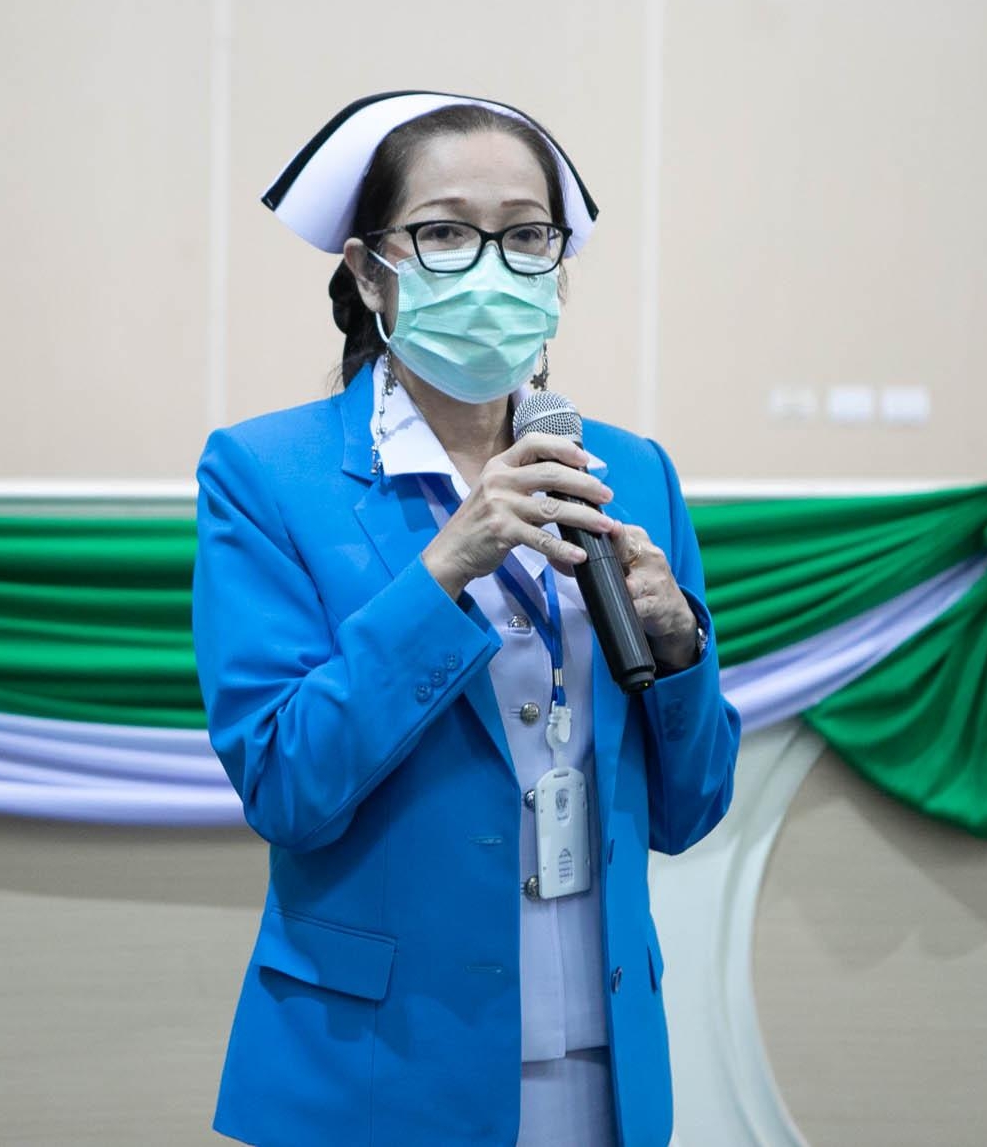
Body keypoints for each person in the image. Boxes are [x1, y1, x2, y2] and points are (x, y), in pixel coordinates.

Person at [192, 91, 741, 1147]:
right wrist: (446, 566)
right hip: (378, 1068)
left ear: (556, 273)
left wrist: (678, 649)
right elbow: (287, 784)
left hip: (602, 1059)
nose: (491, 265)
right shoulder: (267, 474)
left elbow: (691, 809)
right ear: (369, 272)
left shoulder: (630, 472)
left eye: (526, 235)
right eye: (445, 233)